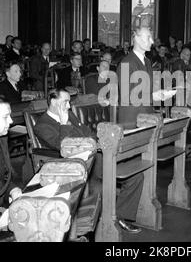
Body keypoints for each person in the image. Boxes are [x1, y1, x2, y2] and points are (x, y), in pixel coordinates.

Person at [34, 89, 143, 233]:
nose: (68, 106)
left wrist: (99, 143)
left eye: (69, 102)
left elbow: (88, 133)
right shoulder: (42, 125)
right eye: (65, 102)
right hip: (76, 167)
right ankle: (113, 219)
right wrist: (63, 123)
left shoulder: (70, 115)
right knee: (104, 186)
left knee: (136, 176)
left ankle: (120, 216)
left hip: (96, 157)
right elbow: (62, 147)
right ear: (53, 102)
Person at [117, 27, 155, 129]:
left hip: (146, 115)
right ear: (137, 39)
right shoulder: (126, 62)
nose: (152, 41)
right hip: (132, 118)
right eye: (148, 37)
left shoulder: (147, 62)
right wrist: (153, 96)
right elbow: (127, 97)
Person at [0, 99, 22, 209]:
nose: (11, 121)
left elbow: (3, 176)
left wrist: (13, 189)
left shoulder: (2, 138)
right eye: (5, 117)